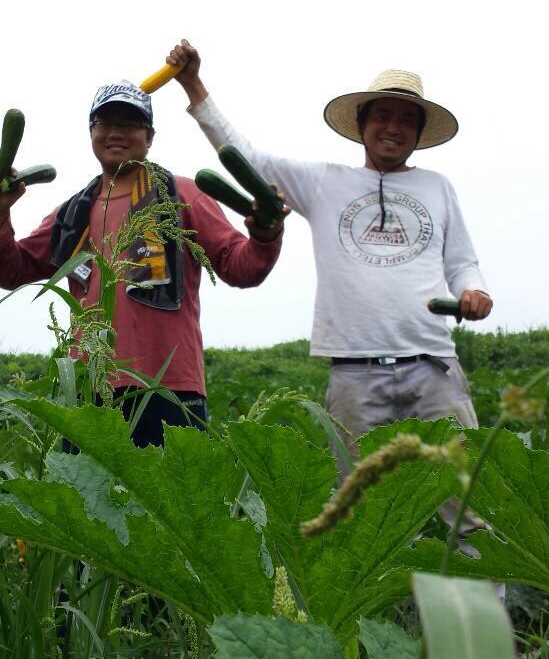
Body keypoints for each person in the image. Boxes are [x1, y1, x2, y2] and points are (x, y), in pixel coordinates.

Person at [166, 40, 492, 471]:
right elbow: (246, 158)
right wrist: (194, 86)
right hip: (355, 372)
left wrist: (474, 290)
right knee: (358, 506)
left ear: (417, 134)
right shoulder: (325, 183)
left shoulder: (438, 186)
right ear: (362, 124)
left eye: (406, 120)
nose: (393, 127)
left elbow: (462, 262)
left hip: (433, 365)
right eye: (382, 116)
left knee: (467, 498)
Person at [0, 81, 287, 447]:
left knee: (175, 502)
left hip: (170, 388)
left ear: (150, 136)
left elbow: (242, 267)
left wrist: (265, 234)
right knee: (88, 500)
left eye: (129, 123)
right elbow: (11, 270)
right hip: (89, 390)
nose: (115, 132)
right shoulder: (72, 212)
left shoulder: (185, 195)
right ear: (91, 131)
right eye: (104, 122)